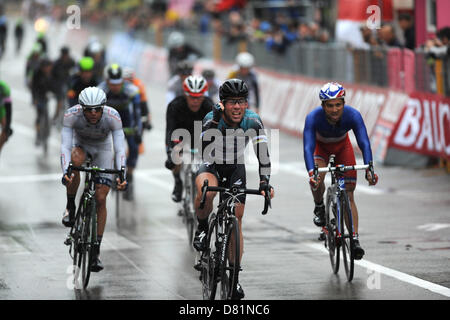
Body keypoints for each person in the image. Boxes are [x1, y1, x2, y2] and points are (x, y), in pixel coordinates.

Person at [193, 79, 274, 299]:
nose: (237, 107)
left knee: (236, 219)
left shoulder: (253, 121)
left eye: (241, 102)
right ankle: (201, 227)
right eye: (231, 103)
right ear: (223, 104)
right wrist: (215, 122)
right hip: (211, 164)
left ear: (246, 104)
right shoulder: (212, 118)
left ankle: (234, 278)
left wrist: (264, 181)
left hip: (236, 167)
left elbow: (263, 154)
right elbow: (202, 150)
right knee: (207, 192)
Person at [303, 82, 379, 261]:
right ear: (323, 106)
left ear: (344, 103)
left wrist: (369, 168)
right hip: (320, 150)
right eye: (330, 105)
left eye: (338, 104)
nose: (335, 109)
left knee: (349, 194)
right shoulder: (313, 117)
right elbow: (308, 147)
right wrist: (311, 173)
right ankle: (320, 207)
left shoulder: (353, 115)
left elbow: (364, 142)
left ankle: (354, 239)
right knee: (317, 178)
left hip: (342, 148)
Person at [60, 87, 127, 272]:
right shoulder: (71, 114)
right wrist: (66, 170)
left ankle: (95, 252)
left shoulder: (113, 116)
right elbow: (65, 146)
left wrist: (123, 174)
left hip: (103, 149)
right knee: (75, 161)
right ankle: (71, 206)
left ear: (103, 107)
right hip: (80, 146)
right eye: (88, 109)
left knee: (100, 198)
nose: (93, 113)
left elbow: (120, 148)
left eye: (97, 109)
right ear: (81, 108)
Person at [165, 75, 213, 203]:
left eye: (199, 97)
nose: (195, 101)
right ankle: (178, 183)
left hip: (200, 137)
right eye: (192, 97)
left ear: (204, 95)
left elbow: (215, 133)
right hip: (180, 137)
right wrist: (170, 153)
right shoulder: (174, 106)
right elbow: (170, 131)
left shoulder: (210, 106)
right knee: (176, 155)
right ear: (185, 95)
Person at [98, 63, 142, 201]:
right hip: (107, 117)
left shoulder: (132, 90)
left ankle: (129, 173)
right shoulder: (100, 91)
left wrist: (137, 131)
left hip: (124, 118)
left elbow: (137, 113)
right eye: (112, 84)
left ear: (123, 81)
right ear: (107, 82)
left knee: (134, 146)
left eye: (118, 83)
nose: (116, 87)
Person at [30, 58, 54, 145]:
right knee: (39, 115)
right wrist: (34, 99)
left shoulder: (51, 74)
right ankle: (38, 135)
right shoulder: (37, 73)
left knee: (46, 114)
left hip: (46, 96)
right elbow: (33, 87)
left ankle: (47, 131)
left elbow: (54, 85)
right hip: (38, 96)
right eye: (45, 67)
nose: (47, 69)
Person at [123, 67, 152, 131]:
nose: (127, 82)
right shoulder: (120, 84)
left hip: (140, 102)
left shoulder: (138, 84)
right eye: (125, 80)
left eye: (129, 80)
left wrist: (148, 119)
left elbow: (144, 102)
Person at [51, 46, 76, 123]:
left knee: (72, 100)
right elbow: (52, 75)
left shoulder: (72, 62)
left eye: (66, 55)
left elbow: (75, 72)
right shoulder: (56, 63)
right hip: (58, 86)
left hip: (69, 86)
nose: (65, 56)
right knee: (59, 102)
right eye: (63, 55)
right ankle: (56, 116)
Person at [0, 80, 12, 155]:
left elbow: (8, 109)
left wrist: (7, 127)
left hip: (1, 110)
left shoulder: (4, 88)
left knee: (5, 132)